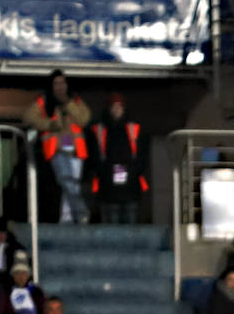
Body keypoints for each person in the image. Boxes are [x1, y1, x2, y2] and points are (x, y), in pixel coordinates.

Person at [22, 69, 92, 224]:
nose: (60, 86)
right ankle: (81, 213)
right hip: (57, 148)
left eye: (63, 82)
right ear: (51, 86)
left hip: (75, 149)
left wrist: (69, 105)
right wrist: (50, 124)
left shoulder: (74, 100)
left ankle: (67, 218)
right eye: (56, 83)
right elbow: (28, 116)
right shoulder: (45, 101)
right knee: (66, 181)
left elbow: (84, 119)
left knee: (72, 183)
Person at [87, 94, 149, 224]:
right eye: (114, 106)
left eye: (119, 106)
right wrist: (104, 173)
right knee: (111, 226)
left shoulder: (134, 129)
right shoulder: (99, 129)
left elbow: (142, 156)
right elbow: (94, 157)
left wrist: (134, 172)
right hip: (108, 189)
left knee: (130, 225)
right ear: (109, 109)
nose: (117, 110)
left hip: (130, 187)